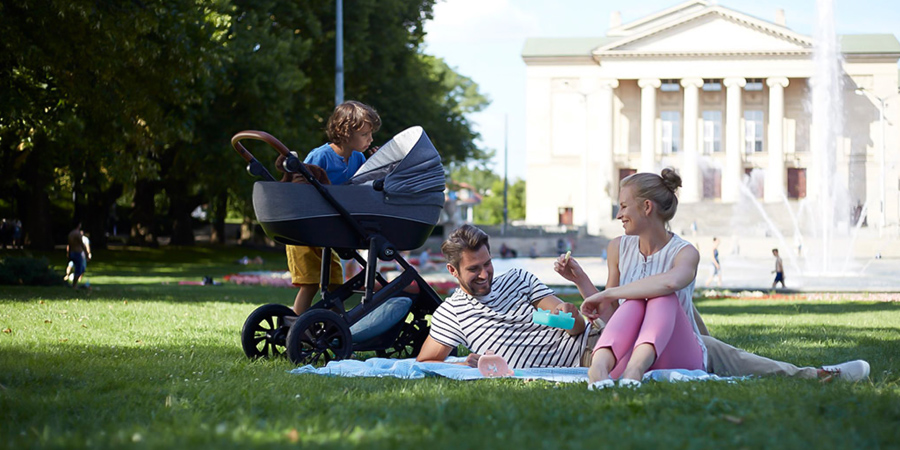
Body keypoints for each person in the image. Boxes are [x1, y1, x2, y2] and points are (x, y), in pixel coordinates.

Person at [418, 223, 870, 383]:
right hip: (603, 355)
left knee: (714, 350)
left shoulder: (516, 277)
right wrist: (469, 361)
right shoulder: (452, 314)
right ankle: (811, 376)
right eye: (474, 269)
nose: (485, 274)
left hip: (594, 342)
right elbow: (424, 363)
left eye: (486, 264)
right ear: (453, 273)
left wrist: (549, 312)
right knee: (703, 345)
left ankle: (809, 375)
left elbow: (575, 323)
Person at [566, 169, 705, 388]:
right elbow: (612, 318)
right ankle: (599, 368)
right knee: (633, 301)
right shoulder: (617, 248)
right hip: (626, 354)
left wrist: (610, 293)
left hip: (678, 356)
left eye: (623, 206)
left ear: (647, 207)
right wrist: (580, 279)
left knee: (661, 296)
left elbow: (671, 283)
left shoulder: (685, 253)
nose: (618, 215)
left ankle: (635, 370)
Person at [284, 100, 381, 315]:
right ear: (346, 132)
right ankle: (298, 328)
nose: (371, 139)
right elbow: (301, 189)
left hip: (327, 230)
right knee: (309, 283)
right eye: (366, 134)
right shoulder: (321, 157)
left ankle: (337, 330)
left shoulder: (357, 158)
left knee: (336, 284)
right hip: (305, 229)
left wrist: (375, 164)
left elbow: (361, 184)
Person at [66, 223, 91, 288]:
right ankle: (75, 284)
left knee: (71, 265)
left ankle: (71, 281)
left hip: (72, 252)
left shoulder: (70, 234)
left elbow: (69, 245)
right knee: (80, 268)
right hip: (77, 253)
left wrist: (68, 253)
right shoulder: (78, 234)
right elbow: (82, 245)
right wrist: (87, 253)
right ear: (79, 225)